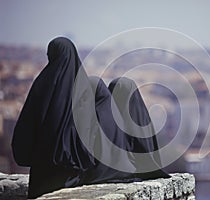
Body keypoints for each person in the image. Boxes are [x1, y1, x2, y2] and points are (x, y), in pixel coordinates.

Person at [11, 37, 169, 199]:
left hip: (40, 180)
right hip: (68, 179)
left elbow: (22, 145)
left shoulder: (41, 86)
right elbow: (85, 148)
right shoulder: (79, 95)